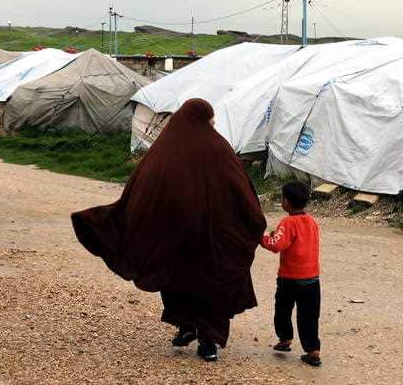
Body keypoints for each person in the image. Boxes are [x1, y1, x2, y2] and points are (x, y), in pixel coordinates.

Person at [71, 98, 267, 362]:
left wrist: (133, 218)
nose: (213, 124)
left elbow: (142, 191)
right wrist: (250, 221)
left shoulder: (164, 149)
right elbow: (242, 192)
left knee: (176, 276)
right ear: (206, 119)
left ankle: (191, 328)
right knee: (207, 283)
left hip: (175, 235)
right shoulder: (219, 148)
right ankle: (204, 338)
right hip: (210, 237)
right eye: (212, 120)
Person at [260, 180, 322, 367]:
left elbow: (277, 245)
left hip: (289, 279)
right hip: (312, 279)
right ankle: (313, 350)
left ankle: (285, 339)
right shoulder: (311, 221)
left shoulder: (288, 223)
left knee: (283, 310)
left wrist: (260, 238)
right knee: (309, 316)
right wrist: (276, 234)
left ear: (286, 202)